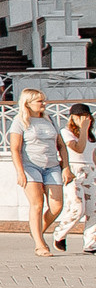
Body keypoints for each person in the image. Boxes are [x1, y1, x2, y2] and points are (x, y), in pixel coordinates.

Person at [11, 88, 67, 256]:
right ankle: (39, 244)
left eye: (43, 100)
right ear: (28, 103)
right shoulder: (20, 121)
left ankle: (37, 230)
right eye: (39, 101)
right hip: (30, 167)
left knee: (57, 206)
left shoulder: (49, 119)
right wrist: (20, 172)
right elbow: (15, 149)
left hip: (51, 166)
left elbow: (61, 145)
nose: (44, 103)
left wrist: (66, 167)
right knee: (37, 205)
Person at [55, 104, 96, 254]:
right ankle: (60, 234)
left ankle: (90, 244)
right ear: (73, 117)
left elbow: (93, 154)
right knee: (77, 208)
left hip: (91, 172)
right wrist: (83, 129)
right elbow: (78, 148)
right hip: (74, 171)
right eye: (80, 116)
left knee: (93, 210)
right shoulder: (66, 133)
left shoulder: (91, 135)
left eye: (87, 116)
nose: (85, 119)